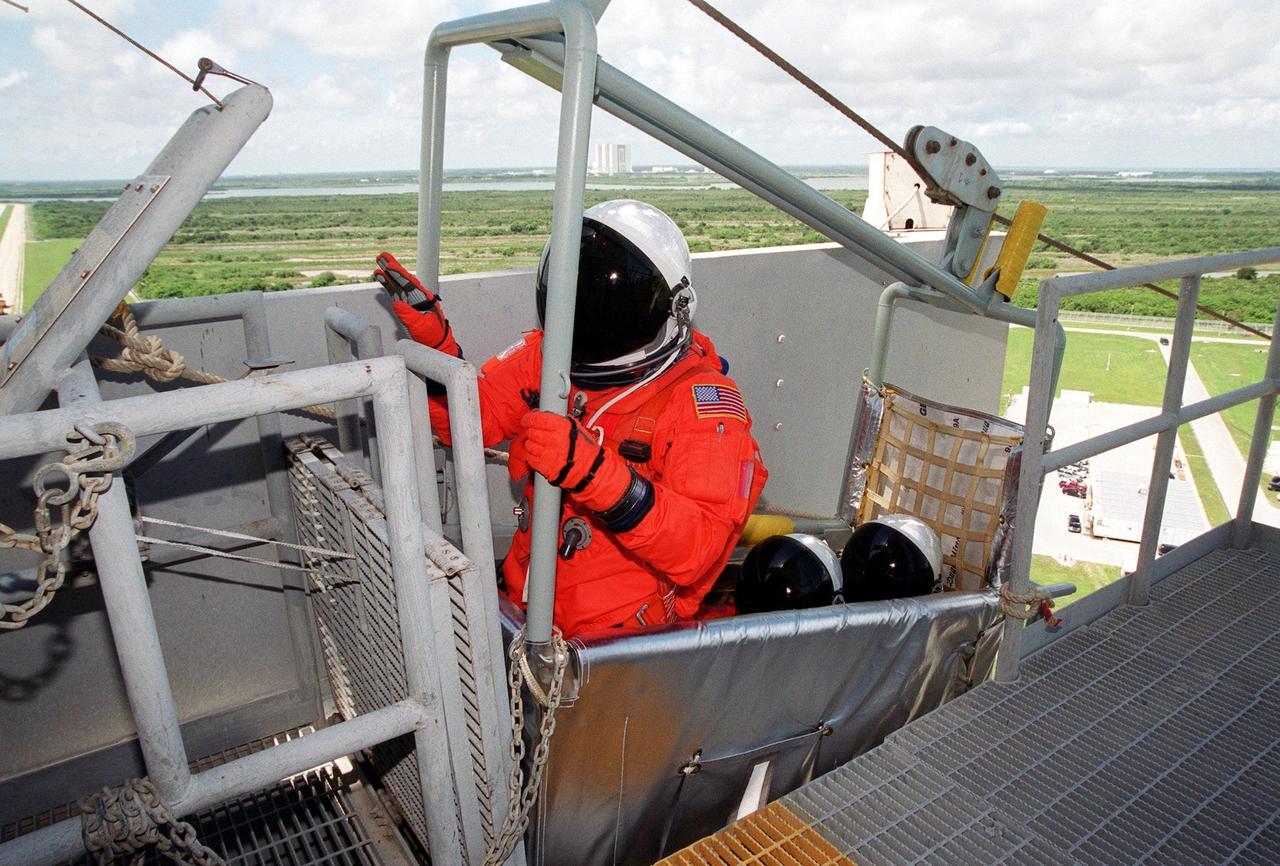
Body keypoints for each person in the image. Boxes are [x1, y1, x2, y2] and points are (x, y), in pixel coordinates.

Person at [378, 200, 767, 637]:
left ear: (675, 308)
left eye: (609, 304)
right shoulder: (551, 353)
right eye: (583, 298)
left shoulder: (700, 404)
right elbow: (473, 422)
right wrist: (437, 351)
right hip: (529, 607)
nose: (592, 320)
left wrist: (594, 474)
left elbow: (699, 547)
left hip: (618, 641)